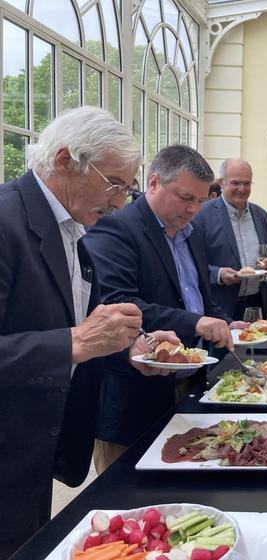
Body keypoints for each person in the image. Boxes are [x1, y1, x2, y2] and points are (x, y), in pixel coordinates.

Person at [0, 106, 174, 558]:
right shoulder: (5, 222)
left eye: (127, 188)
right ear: (64, 161)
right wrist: (75, 342)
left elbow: (82, 320)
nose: (120, 201)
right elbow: (75, 338)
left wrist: (132, 348)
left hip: (37, 455)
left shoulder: (73, 226)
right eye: (114, 184)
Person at [85, 145, 245, 472]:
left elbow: (202, 299)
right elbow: (120, 304)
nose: (193, 210)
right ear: (154, 183)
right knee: (130, 500)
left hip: (190, 383)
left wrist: (229, 324)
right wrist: (197, 322)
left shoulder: (193, 232)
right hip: (134, 397)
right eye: (186, 198)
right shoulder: (117, 228)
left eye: (201, 201)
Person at [191, 158, 267, 320]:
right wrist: (218, 274)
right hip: (219, 306)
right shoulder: (202, 215)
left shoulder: (260, 215)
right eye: (235, 183)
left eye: (247, 183)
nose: (241, 189)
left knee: (257, 345)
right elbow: (192, 262)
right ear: (221, 183)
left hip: (256, 303)